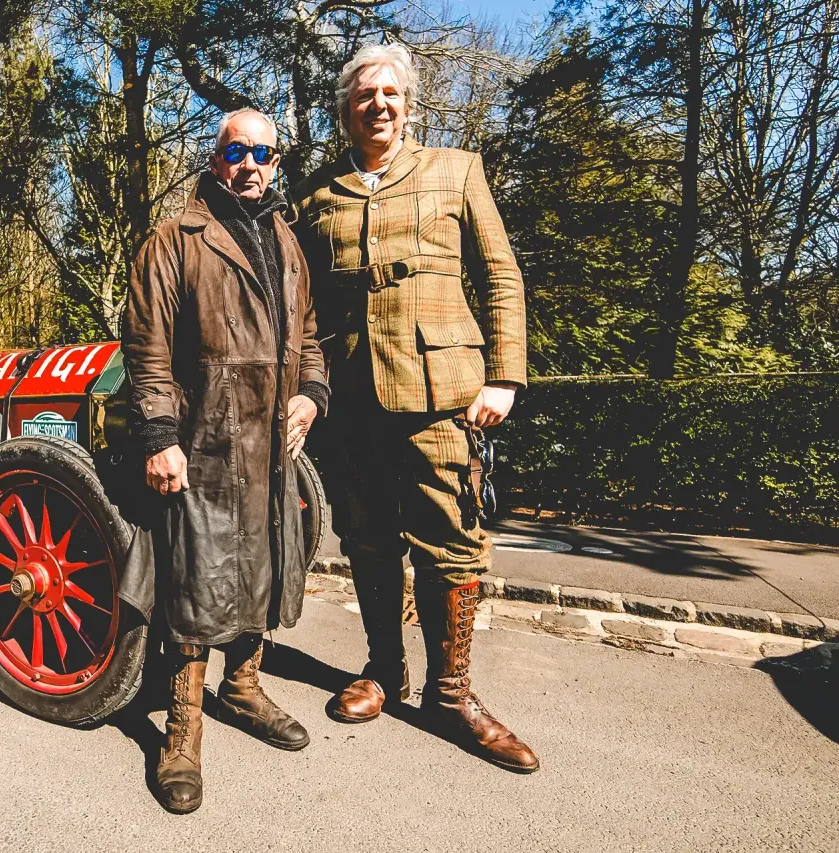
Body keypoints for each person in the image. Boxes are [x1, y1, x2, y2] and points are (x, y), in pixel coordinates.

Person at [292, 44, 539, 773]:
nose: (378, 104)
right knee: (367, 540)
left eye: (390, 93)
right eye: (364, 95)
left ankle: (451, 693)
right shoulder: (315, 194)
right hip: (353, 400)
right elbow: (300, 304)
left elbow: (501, 276)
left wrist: (505, 378)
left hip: (444, 394)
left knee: (453, 541)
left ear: (409, 104)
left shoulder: (456, 171)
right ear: (345, 111)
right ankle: (382, 671)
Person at [120, 108, 330, 812]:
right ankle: (182, 730)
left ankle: (241, 687)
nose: (249, 164)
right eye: (236, 151)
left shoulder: (287, 239)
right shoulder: (175, 238)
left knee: (264, 565)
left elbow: (309, 333)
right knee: (195, 579)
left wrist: (312, 395)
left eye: (262, 153)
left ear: (275, 162)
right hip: (204, 437)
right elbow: (145, 344)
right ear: (216, 160)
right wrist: (159, 435)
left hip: (272, 441)